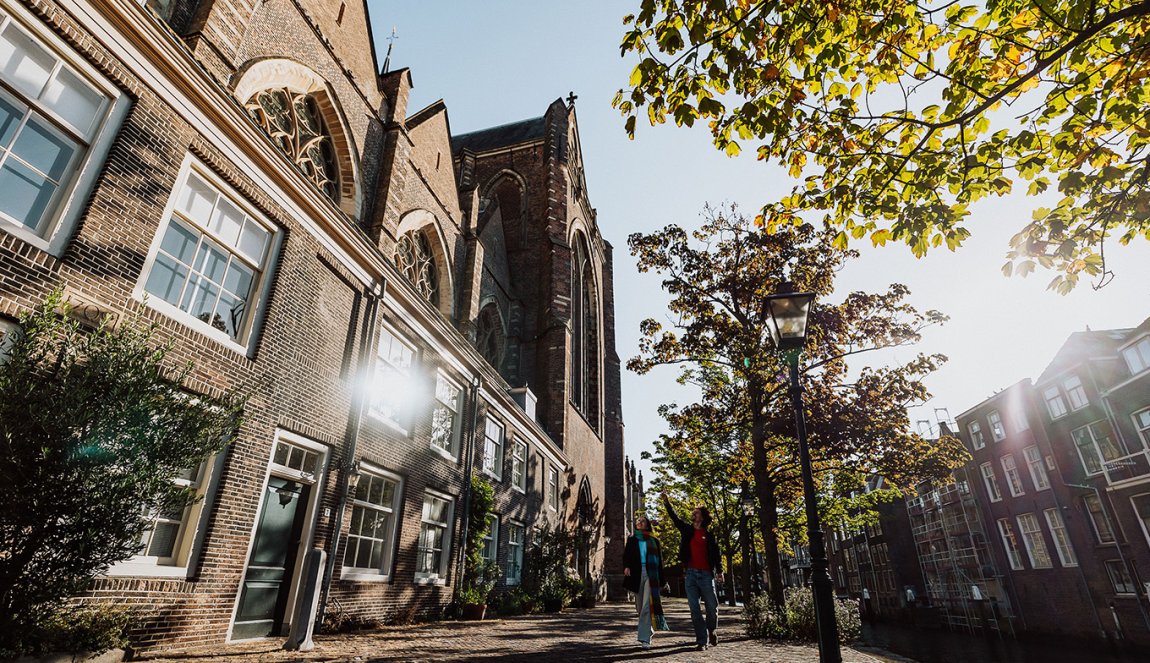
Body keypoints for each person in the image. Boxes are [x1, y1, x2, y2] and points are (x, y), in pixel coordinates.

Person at [662, 491, 724, 651]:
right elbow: (675, 519)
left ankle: (711, 630)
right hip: (690, 574)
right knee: (694, 609)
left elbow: (717, 555)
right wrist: (667, 502)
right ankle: (702, 641)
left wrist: (720, 571)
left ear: (702, 517)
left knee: (712, 606)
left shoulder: (710, 536)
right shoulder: (687, 530)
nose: (693, 514)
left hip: (706, 574)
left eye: (695, 513)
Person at [623, 515, 669, 650]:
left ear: (647, 524)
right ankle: (648, 629)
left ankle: (645, 639)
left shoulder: (654, 540)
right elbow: (626, 556)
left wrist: (663, 580)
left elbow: (660, 561)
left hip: (651, 574)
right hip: (636, 574)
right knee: (639, 607)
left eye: (642, 521)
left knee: (646, 607)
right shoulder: (632, 540)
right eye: (638, 521)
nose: (639, 522)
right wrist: (626, 566)